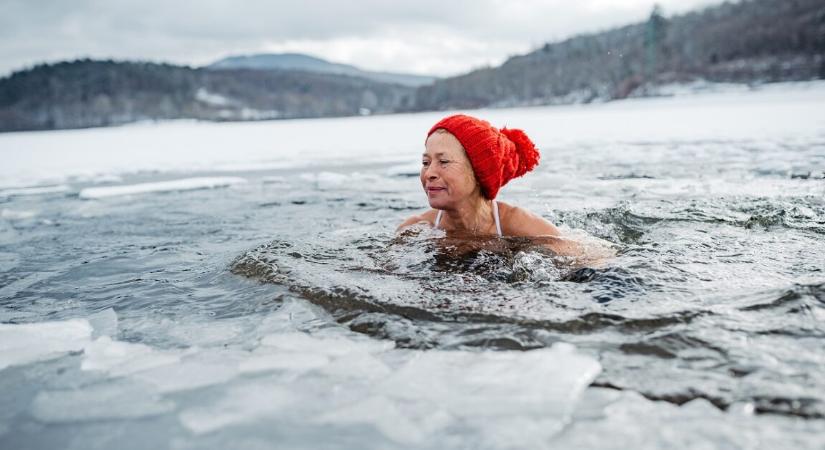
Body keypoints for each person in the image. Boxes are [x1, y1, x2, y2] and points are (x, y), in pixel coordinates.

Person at [397, 114, 590, 258]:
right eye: (425, 163)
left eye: (444, 161)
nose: (429, 173)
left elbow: (591, 256)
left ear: (479, 171)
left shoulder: (517, 225)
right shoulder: (416, 229)